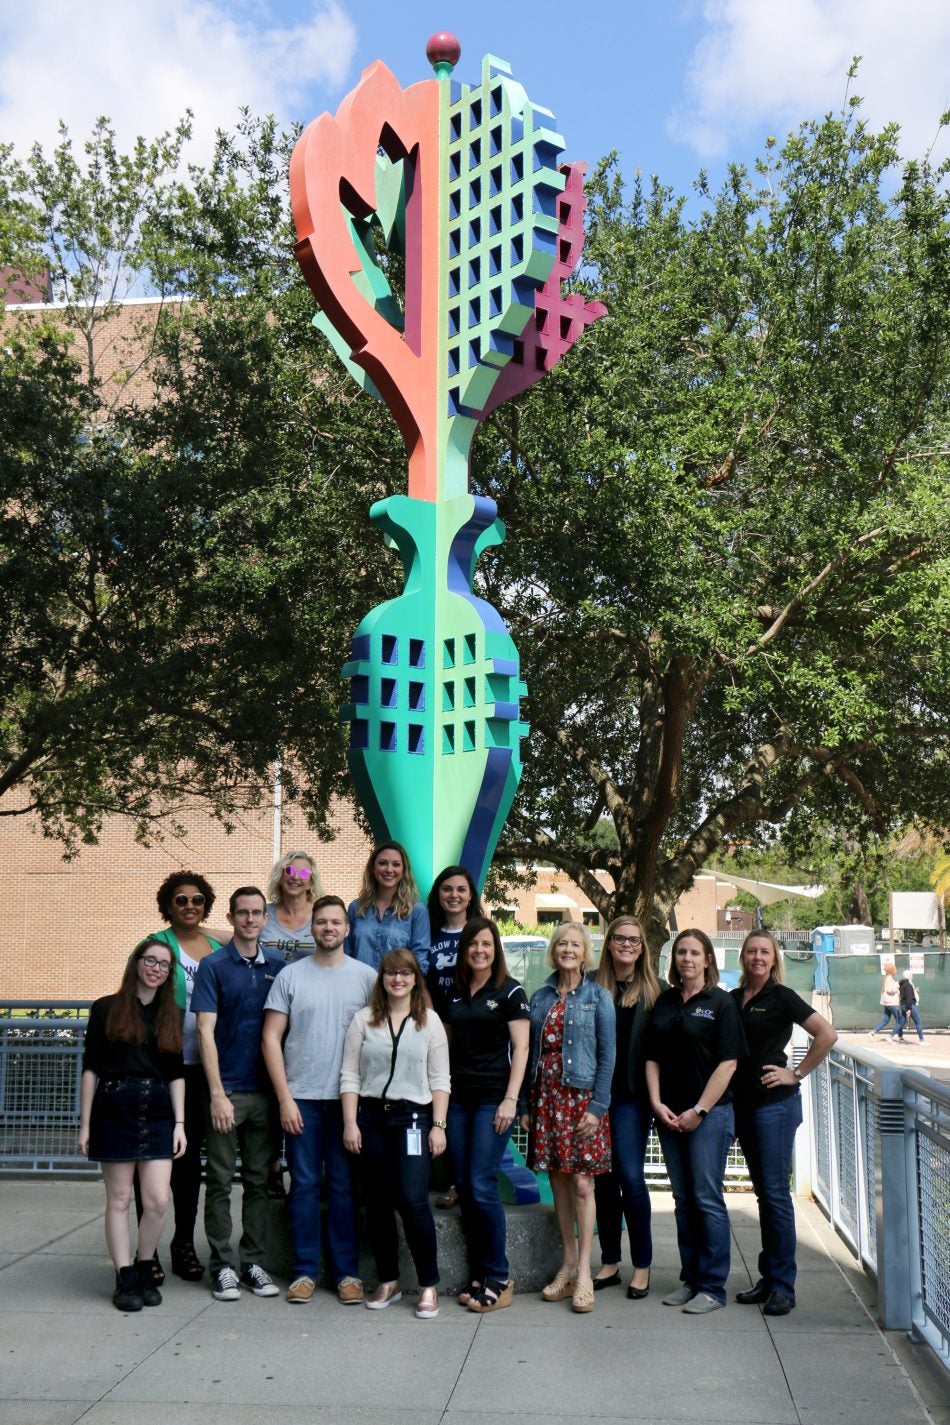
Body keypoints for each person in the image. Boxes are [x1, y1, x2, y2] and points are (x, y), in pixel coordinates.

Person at [262, 894, 376, 1305]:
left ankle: (347, 1274)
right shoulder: (290, 977)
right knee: (305, 1185)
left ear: (347, 929)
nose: (328, 928)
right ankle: (304, 1272)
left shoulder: (366, 977)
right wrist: (285, 1099)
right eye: (321, 922)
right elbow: (271, 1038)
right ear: (312, 928)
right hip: (303, 1100)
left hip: (350, 1103)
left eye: (335, 922)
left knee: (344, 1187)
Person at [731, 930, 837, 1316]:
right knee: (764, 1194)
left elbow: (827, 1034)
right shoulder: (734, 999)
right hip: (743, 1107)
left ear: (774, 959)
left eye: (765, 952)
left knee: (775, 1194)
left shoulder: (782, 997)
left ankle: (783, 1287)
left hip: (774, 1107)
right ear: (742, 957)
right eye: (752, 951)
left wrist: (797, 1073)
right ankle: (769, 1276)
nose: (758, 957)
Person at [341, 948, 450, 1318]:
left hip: (414, 1120)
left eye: (405, 973)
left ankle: (428, 1284)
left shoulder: (429, 1022)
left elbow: (440, 1079)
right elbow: (350, 1075)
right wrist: (350, 1122)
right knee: (376, 1202)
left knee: (413, 1200)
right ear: (382, 978)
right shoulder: (363, 1020)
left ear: (416, 978)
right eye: (391, 973)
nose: (398, 979)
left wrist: (438, 1125)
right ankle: (388, 1280)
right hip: (371, 1119)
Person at [78, 938, 185, 1311]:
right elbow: (90, 1067)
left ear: (169, 973)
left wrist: (180, 1123)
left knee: (156, 1201)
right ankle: (124, 1277)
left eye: (163, 965)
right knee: (120, 1198)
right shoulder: (106, 1008)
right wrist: (85, 1124)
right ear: (136, 963)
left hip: (158, 1110)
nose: (155, 968)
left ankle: (144, 1263)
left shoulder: (172, 1013)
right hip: (114, 1107)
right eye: (149, 960)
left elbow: (176, 1074)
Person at [644, 928, 746, 1315]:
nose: (687, 959)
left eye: (694, 953)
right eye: (681, 952)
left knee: (706, 1198)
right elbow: (651, 1056)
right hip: (669, 1115)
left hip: (709, 1116)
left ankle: (713, 1287)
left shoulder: (720, 1003)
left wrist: (699, 1110)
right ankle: (691, 1279)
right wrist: (656, 1103)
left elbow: (729, 1063)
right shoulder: (666, 1002)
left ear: (707, 960)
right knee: (683, 1199)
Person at [192, 887, 285, 1302]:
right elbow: (204, 1032)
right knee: (217, 1184)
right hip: (227, 1091)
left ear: (266, 919)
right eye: (242, 913)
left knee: (259, 1184)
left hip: (265, 1094)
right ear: (230, 919)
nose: (249, 919)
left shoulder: (279, 968)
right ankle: (223, 1267)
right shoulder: (213, 966)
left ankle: (253, 1263)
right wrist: (216, 1094)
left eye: (256, 913)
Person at [524, 922, 614, 1314]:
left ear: (585, 951)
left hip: (582, 1100)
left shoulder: (598, 996)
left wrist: (598, 1107)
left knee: (581, 1185)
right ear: (553, 950)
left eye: (575, 944)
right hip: (547, 1097)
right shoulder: (540, 997)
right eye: (562, 943)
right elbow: (529, 1055)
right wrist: (528, 1106)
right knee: (558, 1181)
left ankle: (584, 1274)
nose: (568, 950)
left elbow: (608, 1056)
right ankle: (567, 1262)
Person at [136, 871, 222, 1284]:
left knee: (189, 1164)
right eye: (181, 900)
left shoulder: (217, 946)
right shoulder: (154, 946)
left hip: (201, 1070)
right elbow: (133, 1001)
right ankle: (145, 1249)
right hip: (160, 1067)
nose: (190, 906)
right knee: (152, 1157)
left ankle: (182, 1242)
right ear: (168, 905)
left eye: (198, 900)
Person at [446, 916, 530, 1314]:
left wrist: (511, 1100)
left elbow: (523, 1050)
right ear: (464, 951)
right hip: (459, 1100)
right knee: (465, 1184)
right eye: (472, 944)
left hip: (493, 1102)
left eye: (487, 944)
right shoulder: (458, 993)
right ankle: (480, 1272)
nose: (480, 950)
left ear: (496, 949)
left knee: (481, 1182)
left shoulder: (511, 992)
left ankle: (499, 1275)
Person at [592, 916, 665, 1300]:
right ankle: (609, 1260)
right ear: (609, 943)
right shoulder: (590, 985)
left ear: (642, 947)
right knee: (602, 1179)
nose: (627, 945)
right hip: (594, 1098)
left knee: (631, 1177)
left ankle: (642, 1264)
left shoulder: (657, 991)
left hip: (632, 1098)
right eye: (620, 938)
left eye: (634, 940)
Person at [425, 864, 484, 1210]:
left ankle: (464, 1182)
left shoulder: (477, 934)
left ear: (470, 895)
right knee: (436, 1106)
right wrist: (434, 1021)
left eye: (461, 889)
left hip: (469, 1033)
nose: (454, 895)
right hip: (433, 1029)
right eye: (447, 889)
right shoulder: (429, 932)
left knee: (463, 1106)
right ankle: (445, 1178)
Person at [347, 841, 430, 973]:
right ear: (373, 868)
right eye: (383, 863)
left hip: (397, 989)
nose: (389, 869)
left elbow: (419, 959)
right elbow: (347, 953)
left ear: (404, 870)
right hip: (359, 987)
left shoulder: (417, 911)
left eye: (396, 864)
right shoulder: (356, 908)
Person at [259, 851, 325, 964]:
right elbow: (242, 937)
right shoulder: (263, 913)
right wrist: (216, 933)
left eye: (304, 873)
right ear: (280, 878)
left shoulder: (321, 915)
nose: (295, 877)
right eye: (289, 871)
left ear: (310, 883)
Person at [891, 969, 924, 1043]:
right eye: (911, 975)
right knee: (918, 1022)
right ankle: (921, 1040)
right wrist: (909, 1009)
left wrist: (914, 991)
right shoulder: (908, 984)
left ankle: (890, 1036)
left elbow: (906, 995)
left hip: (903, 1005)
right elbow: (909, 997)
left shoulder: (902, 984)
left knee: (901, 1022)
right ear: (909, 976)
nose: (912, 976)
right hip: (910, 1005)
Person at [870, 964, 901, 1036]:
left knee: (885, 1020)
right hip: (892, 1003)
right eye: (895, 969)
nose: (896, 971)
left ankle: (873, 1032)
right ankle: (898, 1036)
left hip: (887, 1003)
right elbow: (890, 990)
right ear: (891, 970)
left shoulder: (887, 978)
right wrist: (898, 985)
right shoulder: (889, 979)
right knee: (899, 1021)